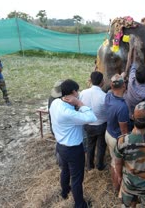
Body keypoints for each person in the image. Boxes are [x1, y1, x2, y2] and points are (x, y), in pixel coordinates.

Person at [50, 79, 97, 208]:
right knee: (76, 178)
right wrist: (79, 103)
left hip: (60, 146)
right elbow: (92, 117)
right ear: (73, 92)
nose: (78, 93)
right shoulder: (69, 114)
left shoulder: (55, 103)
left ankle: (65, 192)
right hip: (73, 149)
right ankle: (79, 204)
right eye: (77, 91)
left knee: (65, 171)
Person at [105, 74, 130, 192]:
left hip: (108, 133)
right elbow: (124, 131)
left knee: (113, 161)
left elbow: (112, 87)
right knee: (117, 164)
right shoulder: (122, 107)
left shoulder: (108, 96)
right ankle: (116, 188)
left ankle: (114, 184)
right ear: (124, 86)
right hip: (117, 138)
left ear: (111, 86)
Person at [79, 71, 107, 171]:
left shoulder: (83, 93)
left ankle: (89, 165)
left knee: (90, 144)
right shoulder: (104, 96)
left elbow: (79, 106)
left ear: (90, 80)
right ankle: (99, 165)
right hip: (101, 125)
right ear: (102, 82)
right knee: (101, 146)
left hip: (87, 124)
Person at [122, 35, 145, 122]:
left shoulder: (132, 78)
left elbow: (134, 62)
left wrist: (133, 47)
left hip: (126, 110)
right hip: (137, 117)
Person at [48, 80, 64, 168]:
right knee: (61, 145)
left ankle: (58, 161)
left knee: (58, 143)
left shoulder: (51, 98)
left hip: (54, 125)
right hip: (60, 127)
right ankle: (61, 164)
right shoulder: (60, 101)